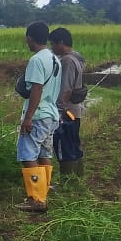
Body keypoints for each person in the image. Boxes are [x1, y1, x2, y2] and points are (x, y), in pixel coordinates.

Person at [16, 21, 61, 212]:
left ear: (29, 38)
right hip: (51, 115)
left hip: (38, 115)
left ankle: (36, 199)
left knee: (28, 154)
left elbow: (36, 89)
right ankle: (44, 190)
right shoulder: (53, 58)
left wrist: (28, 118)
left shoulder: (36, 60)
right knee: (44, 153)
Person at [49, 27, 86, 178]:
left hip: (67, 111)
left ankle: (68, 182)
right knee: (73, 146)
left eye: (53, 44)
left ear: (62, 43)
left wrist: (59, 110)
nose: (52, 48)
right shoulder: (77, 57)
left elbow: (66, 89)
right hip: (74, 111)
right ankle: (77, 179)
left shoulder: (68, 61)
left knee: (64, 147)